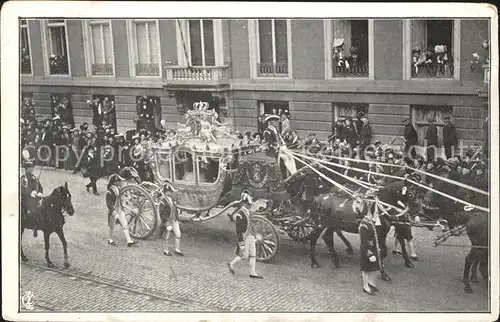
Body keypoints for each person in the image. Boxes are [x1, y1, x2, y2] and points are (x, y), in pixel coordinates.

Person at [227, 190, 263, 279]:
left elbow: (251, 225)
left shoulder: (249, 212)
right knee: (244, 255)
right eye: (247, 204)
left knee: (253, 254)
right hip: (244, 237)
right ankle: (231, 264)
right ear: (243, 203)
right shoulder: (240, 214)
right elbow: (238, 231)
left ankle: (253, 272)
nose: (249, 205)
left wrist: (255, 235)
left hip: (250, 236)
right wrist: (241, 244)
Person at [105, 167, 139, 247]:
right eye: (116, 181)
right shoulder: (109, 191)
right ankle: (110, 239)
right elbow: (109, 203)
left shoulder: (119, 189)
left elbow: (121, 197)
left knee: (124, 225)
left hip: (120, 209)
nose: (118, 182)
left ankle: (129, 240)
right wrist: (113, 211)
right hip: (114, 211)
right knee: (111, 226)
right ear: (113, 182)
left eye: (118, 181)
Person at [358, 200, 380, 295]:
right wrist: (369, 254)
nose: (376, 213)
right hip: (366, 250)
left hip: (372, 248)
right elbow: (364, 242)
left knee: (374, 268)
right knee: (365, 269)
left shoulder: (370, 222)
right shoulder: (364, 224)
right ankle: (365, 287)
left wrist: (377, 247)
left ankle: (370, 283)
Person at [158, 180, 183, 256]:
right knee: (166, 235)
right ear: (166, 192)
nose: (172, 193)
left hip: (174, 219)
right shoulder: (163, 201)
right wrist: (167, 224)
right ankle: (166, 250)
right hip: (167, 221)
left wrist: (177, 219)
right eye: (170, 191)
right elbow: (162, 214)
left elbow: (175, 210)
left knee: (178, 234)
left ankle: (177, 249)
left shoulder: (172, 199)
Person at [21, 161, 44, 238]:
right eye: (30, 168)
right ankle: (32, 224)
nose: (31, 169)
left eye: (32, 168)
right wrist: (31, 193)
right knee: (32, 210)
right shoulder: (23, 178)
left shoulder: (35, 177)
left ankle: (37, 225)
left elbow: (40, 187)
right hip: (26, 199)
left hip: (35, 199)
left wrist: (40, 192)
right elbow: (23, 189)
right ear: (26, 169)